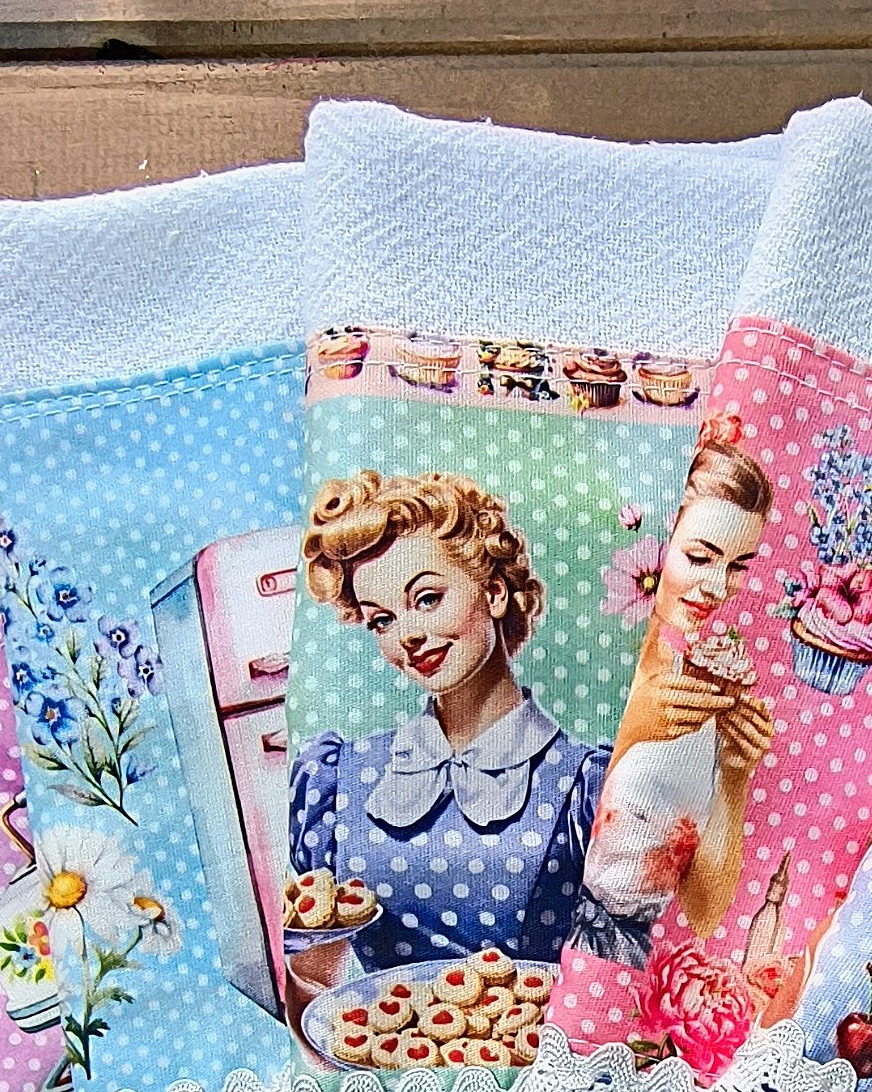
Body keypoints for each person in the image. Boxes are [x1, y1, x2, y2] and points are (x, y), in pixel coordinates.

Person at [287, 468, 604, 972]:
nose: (407, 636)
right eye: (382, 620)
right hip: (374, 1025)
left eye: (428, 599)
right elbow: (313, 979)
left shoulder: (584, 785)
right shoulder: (338, 777)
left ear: (494, 593)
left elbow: (613, 977)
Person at [578, 417, 778, 963]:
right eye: (699, 557)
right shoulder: (598, 657)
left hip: (622, 958)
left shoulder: (700, 694)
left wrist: (734, 777)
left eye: (736, 567)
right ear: (659, 541)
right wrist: (635, 728)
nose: (716, 586)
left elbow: (705, 913)